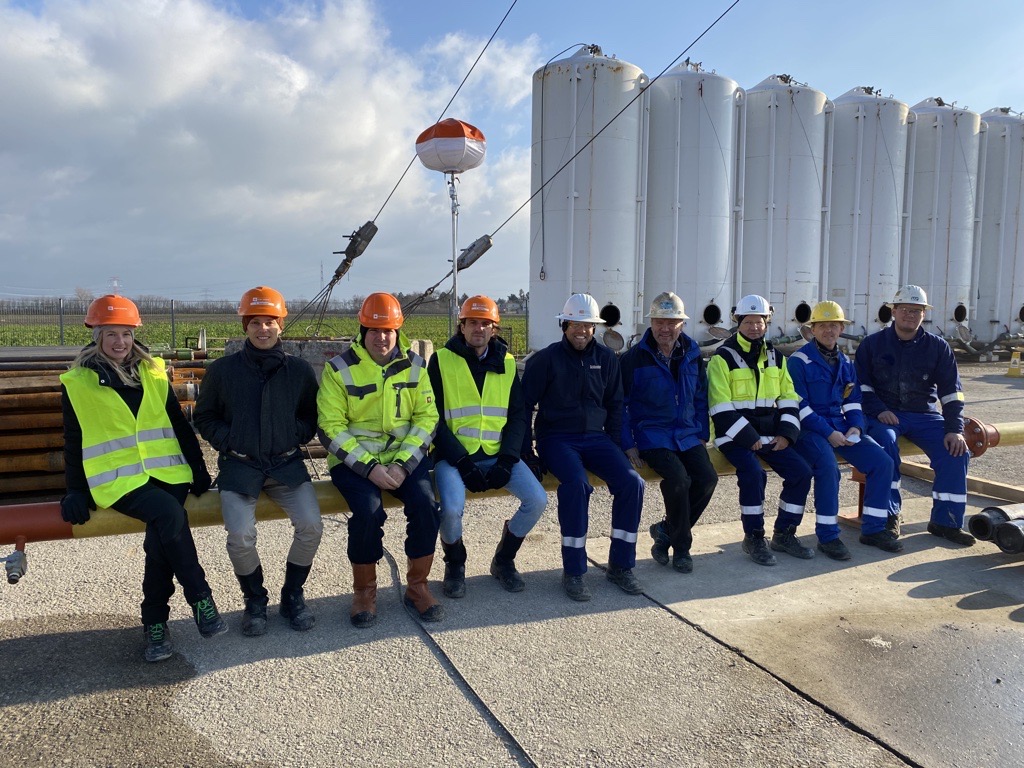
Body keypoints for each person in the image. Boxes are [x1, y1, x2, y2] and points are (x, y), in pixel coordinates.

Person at [60, 295, 226, 663]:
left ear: (134, 335)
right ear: (97, 336)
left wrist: (198, 468)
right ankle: (201, 598)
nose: (119, 342)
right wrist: (75, 490)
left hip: (167, 471)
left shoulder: (153, 371)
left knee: (158, 546)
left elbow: (178, 423)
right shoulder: (78, 383)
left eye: (126, 333)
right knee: (168, 514)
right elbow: (73, 438)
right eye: (111, 334)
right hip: (120, 479)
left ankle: (155, 625)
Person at [194, 286, 323, 636]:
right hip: (240, 466)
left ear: (280, 325)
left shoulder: (298, 371)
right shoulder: (223, 371)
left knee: (311, 526)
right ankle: (255, 600)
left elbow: (311, 416)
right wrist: (230, 440)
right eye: (255, 322)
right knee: (240, 535)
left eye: (269, 322)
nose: (263, 329)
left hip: (285, 465)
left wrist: (292, 434)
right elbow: (204, 417)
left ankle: (292, 595)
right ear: (245, 326)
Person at [318, 292, 443, 626]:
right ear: (363, 331)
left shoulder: (415, 366)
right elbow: (330, 427)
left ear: (398, 331)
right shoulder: (339, 369)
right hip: (355, 464)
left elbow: (427, 419)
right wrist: (369, 468)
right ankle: (364, 593)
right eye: (374, 330)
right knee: (368, 512)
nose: (381, 337)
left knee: (426, 506)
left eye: (388, 330)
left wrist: (402, 465)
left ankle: (417, 587)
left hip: (404, 461)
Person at [521, 293, 645, 601]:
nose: (582, 331)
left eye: (587, 325)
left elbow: (615, 405)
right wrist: (527, 452)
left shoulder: (606, 359)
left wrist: (614, 447)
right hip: (556, 438)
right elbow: (523, 407)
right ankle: (574, 571)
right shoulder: (545, 360)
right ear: (564, 325)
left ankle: (621, 566)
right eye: (575, 324)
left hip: (596, 438)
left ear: (595, 328)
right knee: (576, 486)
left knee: (632, 483)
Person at [428, 295, 547, 598]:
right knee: (451, 510)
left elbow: (517, 415)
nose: (478, 328)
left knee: (537, 500)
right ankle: (455, 564)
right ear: (462, 326)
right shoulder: (441, 360)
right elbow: (432, 419)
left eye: (485, 323)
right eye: (472, 322)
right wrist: (463, 462)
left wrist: (507, 460)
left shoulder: (506, 362)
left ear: (494, 329)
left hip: (496, 454)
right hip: (455, 458)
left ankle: (504, 559)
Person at [854, 285, 973, 546]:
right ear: (893, 311)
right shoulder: (872, 344)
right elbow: (861, 386)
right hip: (883, 414)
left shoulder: (938, 347)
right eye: (905, 309)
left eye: (917, 310)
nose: (910, 314)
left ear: (924, 315)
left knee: (956, 452)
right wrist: (879, 410)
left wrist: (955, 429)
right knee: (884, 445)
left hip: (923, 415)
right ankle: (888, 517)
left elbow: (952, 393)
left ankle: (946, 522)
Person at [788, 301, 901, 558]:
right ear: (812, 330)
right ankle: (828, 537)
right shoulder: (798, 361)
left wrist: (856, 429)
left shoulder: (846, 362)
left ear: (841, 329)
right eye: (823, 326)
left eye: (834, 325)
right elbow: (799, 407)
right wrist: (829, 433)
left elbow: (852, 401)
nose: (829, 331)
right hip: (809, 430)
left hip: (840, 427)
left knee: (882, 462)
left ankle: (874, 529)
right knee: (829, 469)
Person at [707, 294, 813, 566]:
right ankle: (754, 537)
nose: (754, 327)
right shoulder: (723, 358)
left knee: (801, 472)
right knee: (754, 474)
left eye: (760, 322)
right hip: (732, 435)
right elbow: (719, 405)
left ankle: (785, 533)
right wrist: (748, 437)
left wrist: (787, 434)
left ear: (767, 323)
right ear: (738, 323)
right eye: (748, 322)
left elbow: (789, 397)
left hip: (769, 434)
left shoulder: (777, 357)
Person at [620, 292, 717, 573]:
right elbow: (619, 405)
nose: (665, 328)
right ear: (650, 323)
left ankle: (665, 530)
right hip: (652, 434)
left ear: (682, 324)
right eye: (660, 322)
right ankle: (682, 549)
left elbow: (701, 396)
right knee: (678, 479)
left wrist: (702, 432)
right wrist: (628, 443)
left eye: (672, 322)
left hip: (686, 433)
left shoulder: (693, 353)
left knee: (707, 478)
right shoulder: (633, 359)